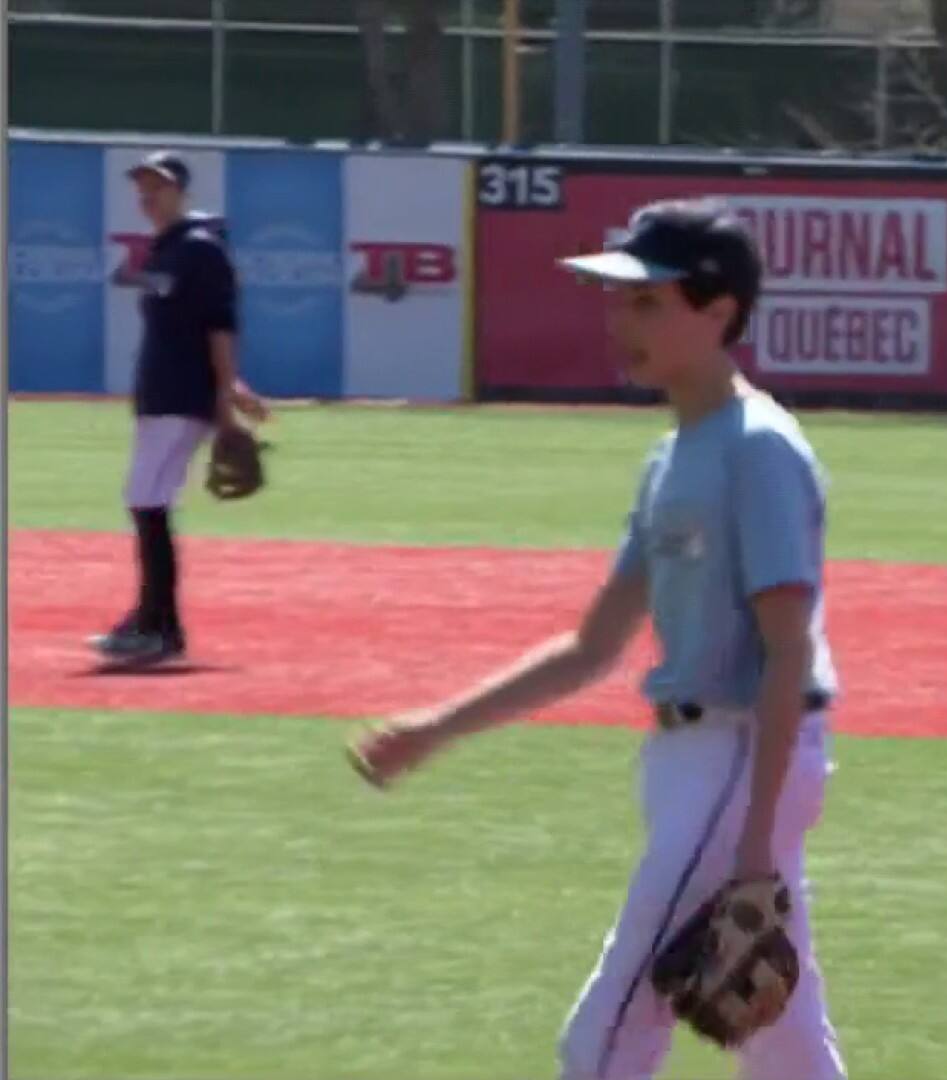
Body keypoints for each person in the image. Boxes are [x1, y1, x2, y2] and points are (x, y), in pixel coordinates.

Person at [347, 198, 848, 1080]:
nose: (621, 320)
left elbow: (787, 651)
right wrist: (438, 728)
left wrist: (758, 841)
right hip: (698, 766)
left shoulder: (759, 449)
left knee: (608, 1033)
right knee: (787, 1048)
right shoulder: (674, 457)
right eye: (618, 300)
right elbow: (592, 647)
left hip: (740, 752)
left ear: (719, 309)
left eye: (647, 301)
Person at [90, 150, 268, 665]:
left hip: (184, 396)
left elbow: (220, 325)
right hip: (161, 393)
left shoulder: (199, 249)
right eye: (142, 185)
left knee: (146, 500)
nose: (148, 194)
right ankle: (154, 622)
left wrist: (227, 392)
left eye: (159, 185)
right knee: (147, 500)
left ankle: (155, 627)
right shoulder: (165, 248)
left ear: (181, 191)